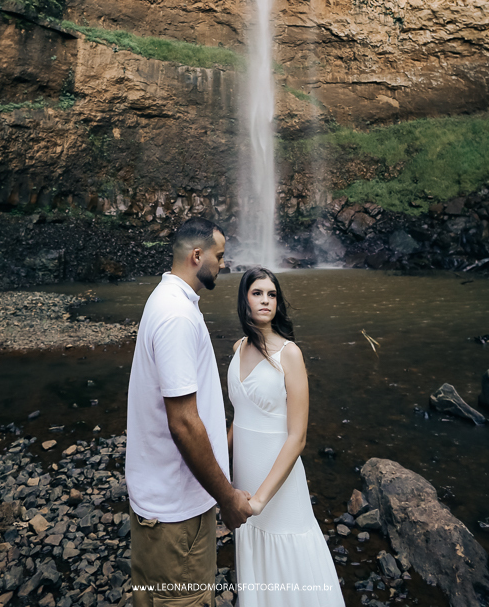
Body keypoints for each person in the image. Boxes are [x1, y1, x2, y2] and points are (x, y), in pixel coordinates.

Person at [126, 217, 253, 607]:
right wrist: (227, 498)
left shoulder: (166, 300)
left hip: (161, 504)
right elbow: (182, 422)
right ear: (197, 256)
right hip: (176, 517)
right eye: (220, 256)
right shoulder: (177, 316)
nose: (224, 264)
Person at [227, 266, 345, 606]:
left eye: (272, 294)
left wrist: (260, 499)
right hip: (244, 477)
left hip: (278, 484)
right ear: (244, 299)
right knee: (256, 560)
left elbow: (298, 436)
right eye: (257, 293)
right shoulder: (238, 347)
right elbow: (239, 417)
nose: (266, 300)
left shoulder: (289, 354)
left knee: (290, 557)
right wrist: (215, 464)